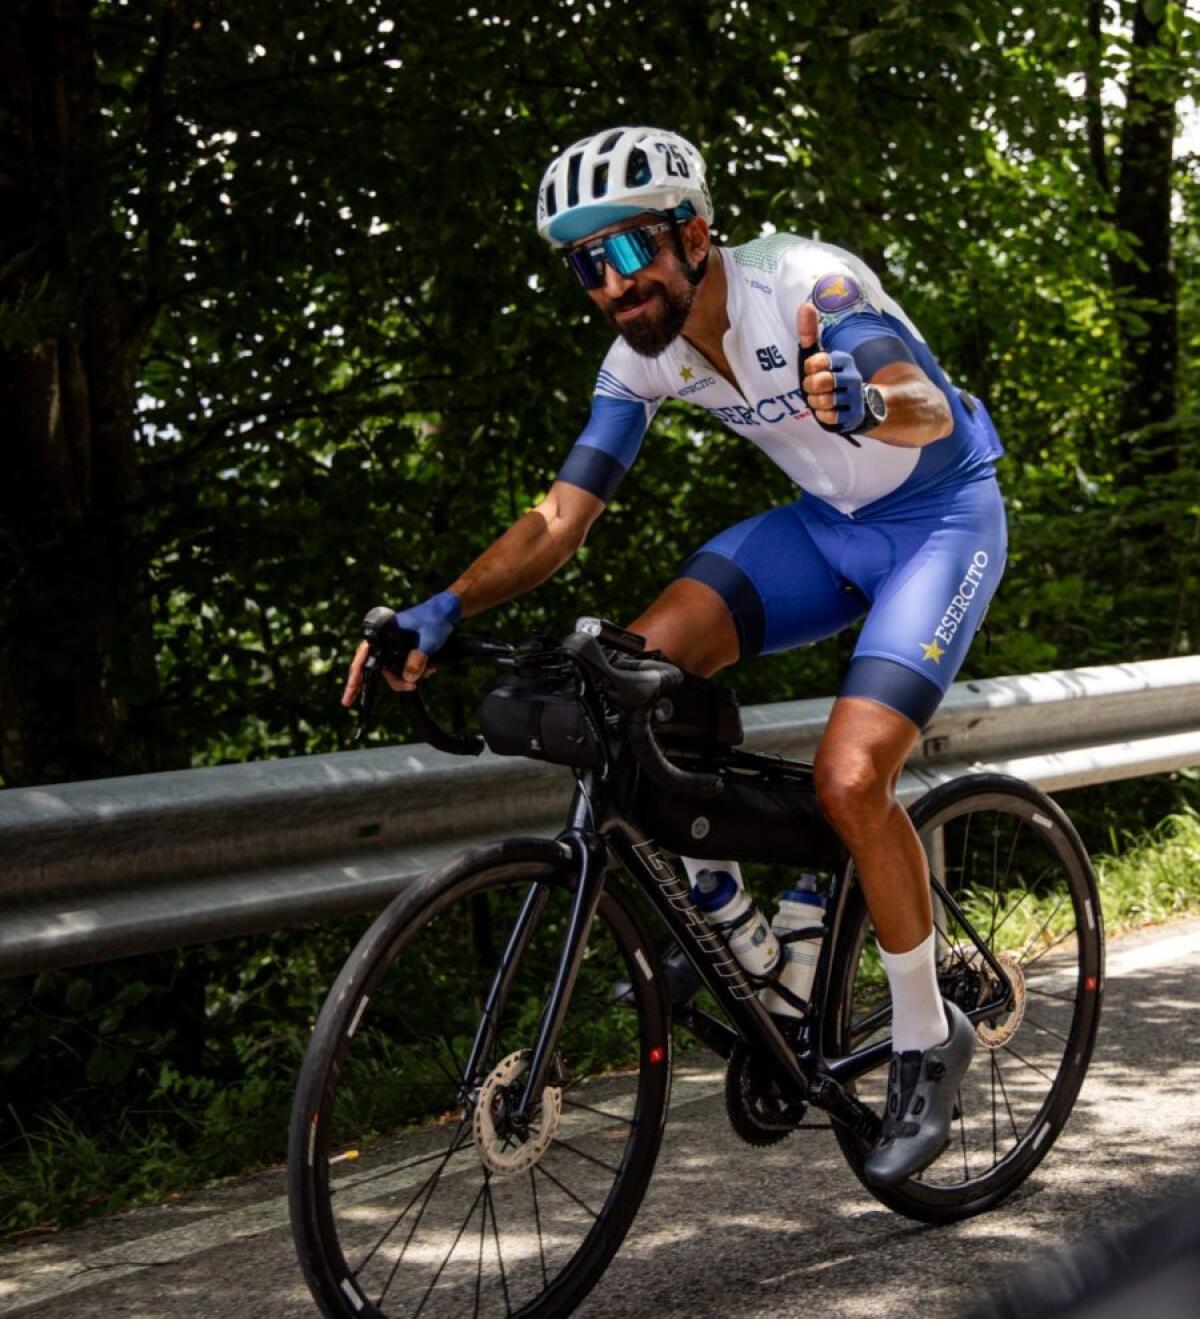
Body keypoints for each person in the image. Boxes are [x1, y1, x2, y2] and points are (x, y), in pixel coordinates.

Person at [342, 127, 1006, 1187]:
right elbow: (560, 518)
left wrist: (870, 400)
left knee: (850, 775)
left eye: (623, 252)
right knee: (628, 671)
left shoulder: (807, 286)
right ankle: (735, 912)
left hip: (938, 520)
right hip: (824, 526)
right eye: (581, 265)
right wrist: (444, 605)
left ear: (693, 232)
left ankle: (929, 1039)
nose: (608, 285)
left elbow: (924, 403)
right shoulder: (638, 360)